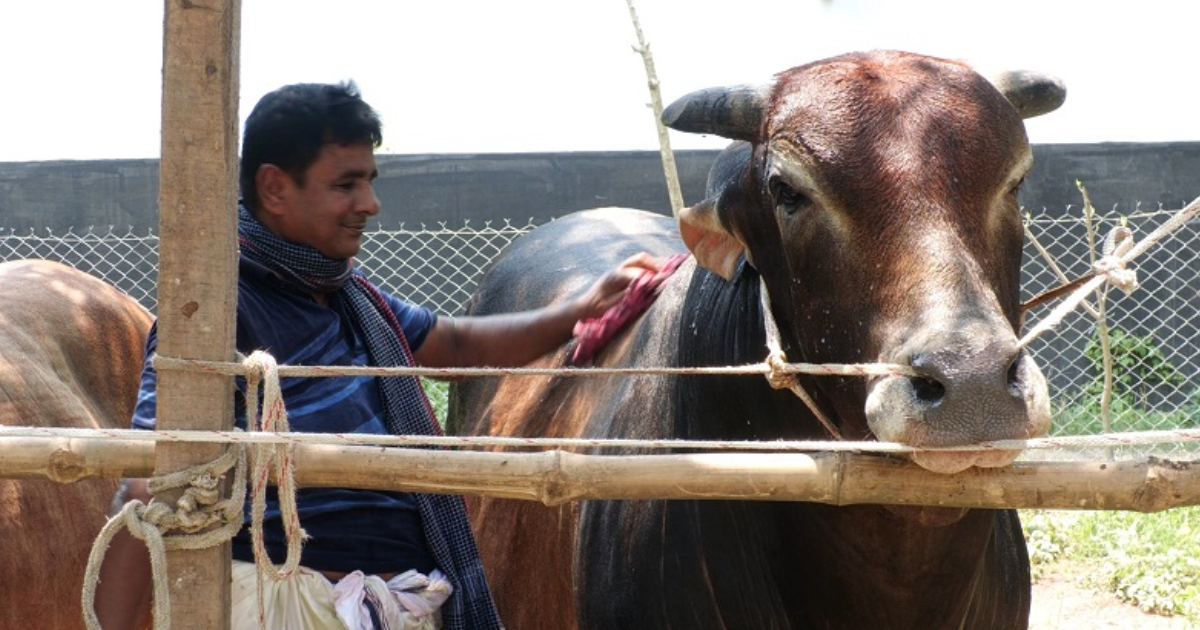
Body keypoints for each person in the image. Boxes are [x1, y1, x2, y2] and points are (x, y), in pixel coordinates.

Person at [95, 81, 659, 630]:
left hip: (392, 605)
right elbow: (152, 484)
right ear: (274, 188)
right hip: (281, 609)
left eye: (369, 180)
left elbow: (455, 344)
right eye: (346, 184)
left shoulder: (349, 297)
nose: (370, 203)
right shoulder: (215, 315)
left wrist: (582, 308)